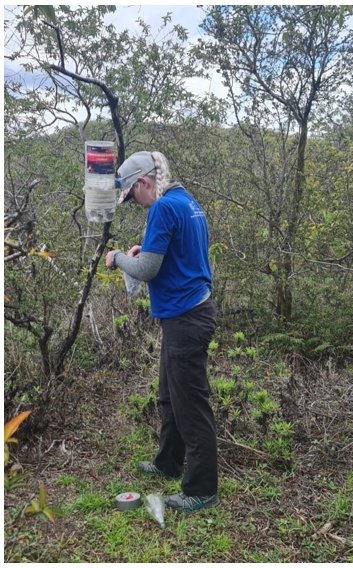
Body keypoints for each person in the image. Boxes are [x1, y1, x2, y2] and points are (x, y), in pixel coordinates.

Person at [106, 151, 219, 512]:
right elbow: (179, 253)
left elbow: (147, 271)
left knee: (190, 405)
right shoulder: (187, 202)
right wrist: (146, 251)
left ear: (143, 183)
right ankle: (168, 462)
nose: (135, 204)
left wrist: (119, 259)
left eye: (132, 195)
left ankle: (201, 488)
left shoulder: (162, 208)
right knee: (170, 395)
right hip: (188, 314)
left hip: (186, 318)